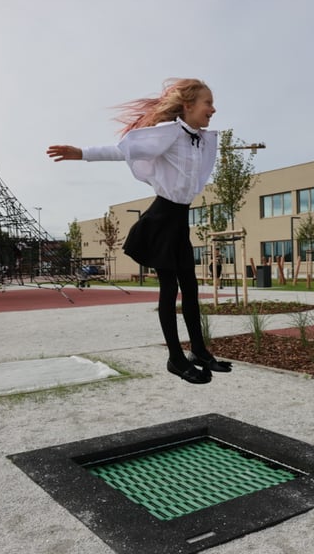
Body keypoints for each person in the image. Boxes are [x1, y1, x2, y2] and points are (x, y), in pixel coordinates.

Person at [47, 78, 231, 384]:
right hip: (161, 220)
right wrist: (81, 152)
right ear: (188, 106)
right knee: (169, 290)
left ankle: (199, 351)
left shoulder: (198, 139)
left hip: (179, 219)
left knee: (191, 289)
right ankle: (175, 358)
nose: (213, 109)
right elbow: (125, 150)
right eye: (207, 102)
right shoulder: (169, 134)